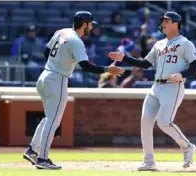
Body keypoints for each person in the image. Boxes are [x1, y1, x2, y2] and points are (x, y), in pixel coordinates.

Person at [23, 11, 124, 170]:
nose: (91, 26)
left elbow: (46, 52)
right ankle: (42, 158)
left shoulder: (61, 31)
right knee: (53, 120)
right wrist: (107, 69)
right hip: (57, 79)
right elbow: (86, 66)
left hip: (45, 76)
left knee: (49, 117)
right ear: (84, 24)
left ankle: (32, 150)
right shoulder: (76, 41)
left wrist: (57, 63)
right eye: (90, 23)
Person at [108, 11, 196, 171]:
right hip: (155, 87)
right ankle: (148, 162)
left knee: (164, 122)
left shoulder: (185, 43)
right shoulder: (159, 44)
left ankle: (187, 147)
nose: (163, 23)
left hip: (173, 86)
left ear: (176, 23)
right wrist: (124, 58)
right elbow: (145, 64)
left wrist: (182, 74)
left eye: (166, 20)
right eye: (162, 20)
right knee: (145, 122)